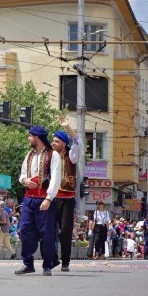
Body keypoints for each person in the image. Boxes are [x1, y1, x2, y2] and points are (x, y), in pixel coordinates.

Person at [15, 125, 61, 276]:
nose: (28, 139)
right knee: (25, 231)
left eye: (30, 136)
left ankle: (47, 265)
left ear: (37, 138)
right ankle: (28, 263)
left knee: (46, 233)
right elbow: (21, 174)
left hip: (44, 199)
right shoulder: (29, 155)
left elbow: (55, 179)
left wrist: (49, 198)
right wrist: (25, 180)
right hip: (29, 199)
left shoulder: (53, 155)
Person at [50, 117, 84, 272]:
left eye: (56, 141)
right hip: (52, 198)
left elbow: (78, 141)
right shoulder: (50, 156)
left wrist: (68, 127)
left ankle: (65, 261)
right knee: (49, 230)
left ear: (63, 143)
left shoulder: (71, 156)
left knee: (65, 231)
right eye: (52, 141)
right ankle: (53, 258)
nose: (53, 143)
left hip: (67, 200)